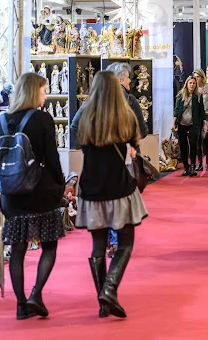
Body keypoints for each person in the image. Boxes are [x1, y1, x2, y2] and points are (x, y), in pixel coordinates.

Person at [74, 71, 148, 319]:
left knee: (97, 243)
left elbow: (76, 138)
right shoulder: (125, 116)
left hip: (91, 186)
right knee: (125, 242)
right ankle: (109, 288)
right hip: (118, 186)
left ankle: (103, 302)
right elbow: (136, 144)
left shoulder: (86, 116)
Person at [0, 73, 65, 320]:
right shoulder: (42, 118)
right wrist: (60, 185)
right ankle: (36, 294)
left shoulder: (2, 120)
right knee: (49, 245)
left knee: (18, 249)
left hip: (12, 192)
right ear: (34, 91)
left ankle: (20, 305)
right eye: (43, 91)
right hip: (40, 190)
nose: (45, 96)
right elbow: (52, 157)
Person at [105, 62, 148, 257]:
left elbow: (75, 126)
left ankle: (109, 238)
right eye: (128, 77)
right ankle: (116, 241)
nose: (131, 80)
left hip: (101, 162)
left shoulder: (95, 101)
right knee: (121, 201)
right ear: (121, 79)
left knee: (107, 201)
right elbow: (143, 131)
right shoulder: (129, 101)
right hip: (125, 159)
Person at [172, 76, 207, 177]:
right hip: (182, 123)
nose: (192, 85)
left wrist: (204, 123)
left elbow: (202, 111)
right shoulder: (180, 95)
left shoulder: (198, 96)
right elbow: (176, 110)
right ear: (186, 84)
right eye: (190, 83)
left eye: (194, 83)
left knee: (193, 144)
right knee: (183, 146)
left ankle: (192, 166)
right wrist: (173, 122)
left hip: (193, 124)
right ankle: (186, 167)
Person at [193, 69, 208, 171]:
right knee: (198, 139)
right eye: (195, 77)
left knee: (205, 137)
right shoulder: (193, 88)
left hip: (207, 114)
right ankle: (200, 162)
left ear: (202, 77)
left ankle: (207, 160)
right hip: (198, 116)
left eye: (198, 77)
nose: (196, 79)